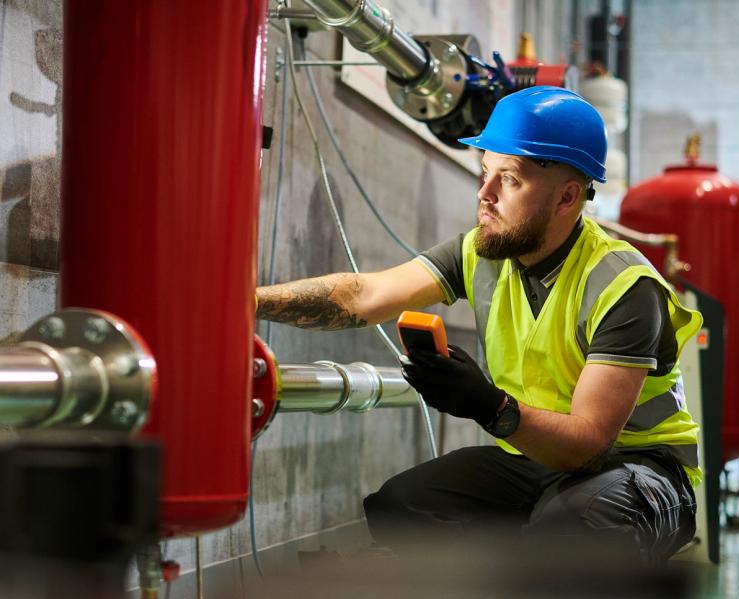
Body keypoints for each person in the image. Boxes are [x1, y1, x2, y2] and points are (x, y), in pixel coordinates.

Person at [256, 86, 701, 562]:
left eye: (507, 180)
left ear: (567, 197)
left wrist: (490, 406)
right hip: (539, 461)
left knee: (576, 525)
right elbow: (366, 296)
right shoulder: (484, 252)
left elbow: (589, 448)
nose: (484, 195)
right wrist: (248, 302)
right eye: (484, 173)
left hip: (641, 470)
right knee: (403, 508)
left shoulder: (623, 286)